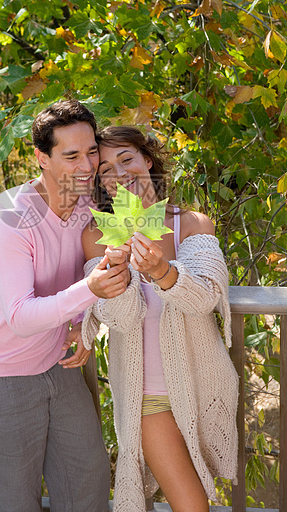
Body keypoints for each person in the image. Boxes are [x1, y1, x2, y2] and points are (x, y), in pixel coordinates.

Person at [0, 101, 130, 512]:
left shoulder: (88, 207)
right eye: (70, 155)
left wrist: (82, 321)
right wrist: (90, 292)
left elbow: (88, 273)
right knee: (17, 502)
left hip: (60, 365)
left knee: (88, 488)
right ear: (42, 158)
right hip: (2, 381)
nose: (86, 165)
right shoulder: (8, 217)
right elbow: (20, 316)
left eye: (91, 151)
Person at [81, 125, 239, 512]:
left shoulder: (193, 223)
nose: (118, 173)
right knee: (192, 505)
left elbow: (205, 298)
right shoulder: (97, 236)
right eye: (105, 168)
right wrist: (117, 273)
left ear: (147, 160)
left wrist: (162, 271)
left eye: (126, 159)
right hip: (146, 396)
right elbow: (117, 318)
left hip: (202, 383)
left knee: (200, 493)